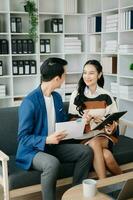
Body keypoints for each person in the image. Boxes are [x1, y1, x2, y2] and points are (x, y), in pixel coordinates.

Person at [16, 57, 93, 200]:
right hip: (32, 151)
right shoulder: (30, 102)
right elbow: (23, 138)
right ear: (57, 78)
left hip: (53, 146)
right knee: (52, 163)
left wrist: (81, 121)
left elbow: (62, 122)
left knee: (86, 152)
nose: (65, 78)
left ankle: (74, 195)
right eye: (65, 75)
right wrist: (46, 139)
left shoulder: (56, 97)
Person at [69, 59, 122, 179]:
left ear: (99, 75)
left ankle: (103, 184)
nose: (87, 76)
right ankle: (121, 182)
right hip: (83, 137)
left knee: (95, 141)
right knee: (107, 156)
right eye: (85, 72)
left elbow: (114, 120)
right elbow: (72, 120)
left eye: (91, 73)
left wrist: (110, 126)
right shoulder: (76, 95)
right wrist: (84, 121)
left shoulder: (106, 95)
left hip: (102, 136)